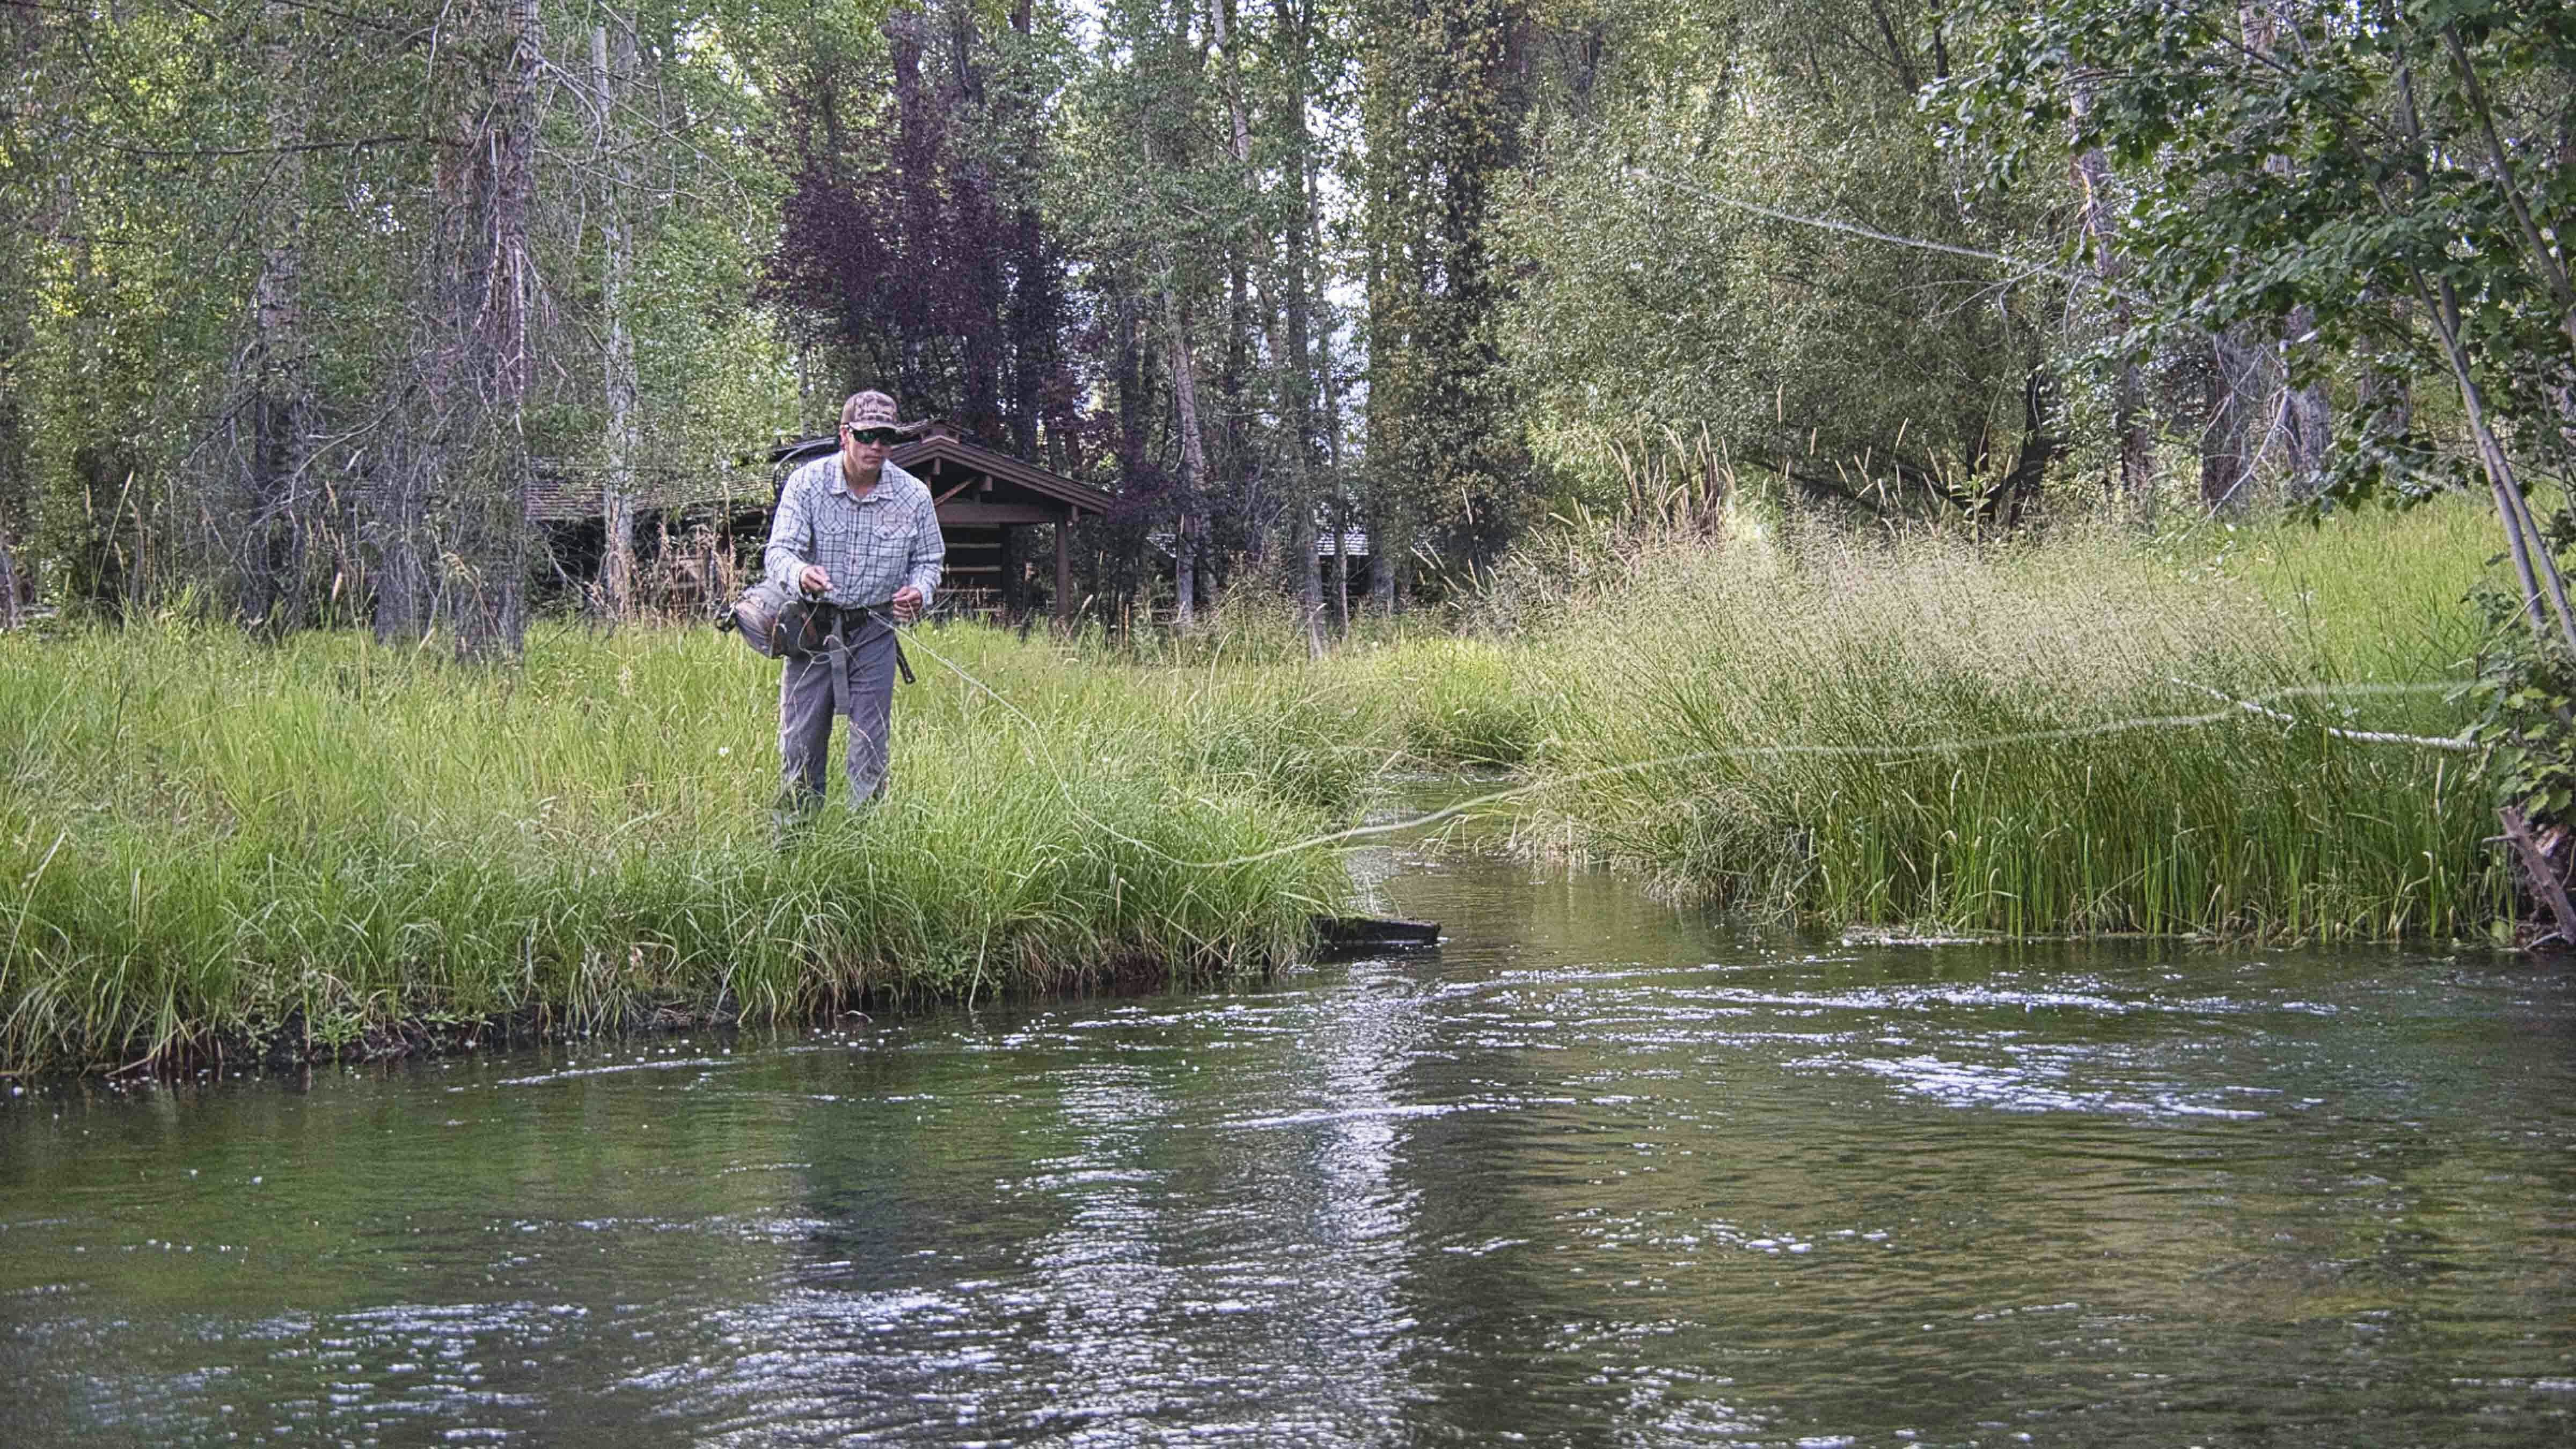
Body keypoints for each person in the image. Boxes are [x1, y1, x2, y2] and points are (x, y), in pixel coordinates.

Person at [763, 389, 945, 815]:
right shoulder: (806, 484)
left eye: (887, 437)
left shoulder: (914, 496)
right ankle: (795, 838)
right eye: (866, 435)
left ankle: (866, 839)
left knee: (871, 745)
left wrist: (920, 591)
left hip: (875, 631)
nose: (877, 446)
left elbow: (929, 560)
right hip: (812, 630)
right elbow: (779, 553)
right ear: (845, 434)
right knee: (800, 742)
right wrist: (800, 574)